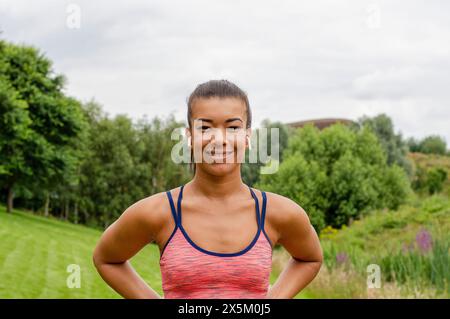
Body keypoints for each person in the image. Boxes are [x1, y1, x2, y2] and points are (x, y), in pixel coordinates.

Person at [92, 79, 323, 299]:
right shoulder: (159, 212)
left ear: (247, 137)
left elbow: (310, 258)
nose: (219, 139)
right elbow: (107, 258)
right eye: (205, 127)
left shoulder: (277, 212)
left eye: (233, 127)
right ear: (190, 137)